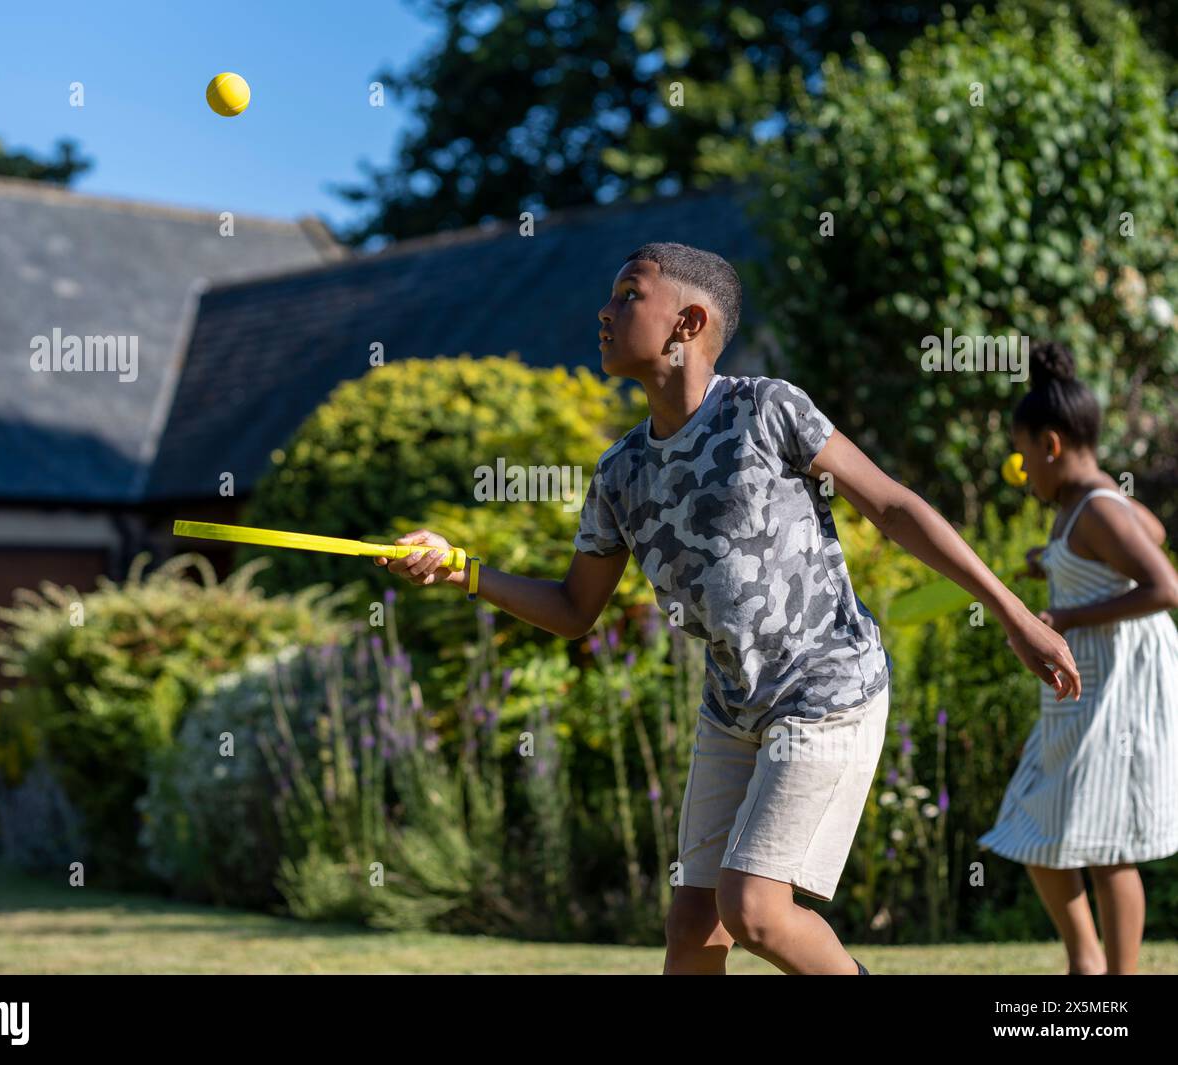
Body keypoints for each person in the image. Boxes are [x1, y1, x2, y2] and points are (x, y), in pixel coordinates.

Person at [378, 242, 1080, 974]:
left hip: (828, 691)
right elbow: (572, 607)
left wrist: (1013, 613)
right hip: (733, 710)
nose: (605, 310)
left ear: (687, 321)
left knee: (753, 909)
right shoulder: (620, 472)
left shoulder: (765, 409)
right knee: (691, 927)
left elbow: (895, 507)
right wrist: (463, 568)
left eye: (627, 295)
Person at [978, 340, 1178, 975]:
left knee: (1106, 839)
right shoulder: (1080, 513)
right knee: (1035, 822)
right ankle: (1086, 962)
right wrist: (1055, 563)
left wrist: (1063, 615)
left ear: (1052, 445)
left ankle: (1116, 980)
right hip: (1080, 689)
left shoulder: (1095, 508)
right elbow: (1154, 531)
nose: (1023, 469)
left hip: (1118, 689)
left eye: (1023, 454)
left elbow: (1166, 586)